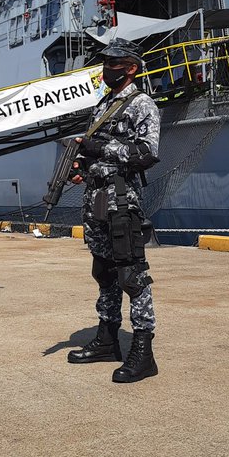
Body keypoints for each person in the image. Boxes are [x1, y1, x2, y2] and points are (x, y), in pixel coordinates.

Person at [67, 39, 161, 383]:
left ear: (131, 67)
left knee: (132, 276)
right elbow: (99, 151)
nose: (107, 69)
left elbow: (147, 152)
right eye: (106, 63)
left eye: (114, 63)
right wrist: (83, 163)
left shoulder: (141, 104)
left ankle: (143, 351)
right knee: (103, 272)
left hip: (122, 201)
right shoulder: (105, 103)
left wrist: (99, 147)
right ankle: (108, 339)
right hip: (97, 200)